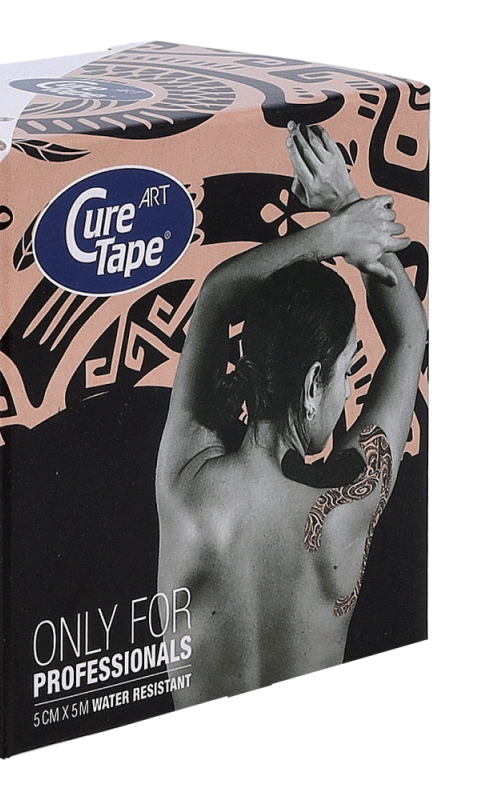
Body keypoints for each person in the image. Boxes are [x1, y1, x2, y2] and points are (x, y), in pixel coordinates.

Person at [156, 122, 427, 709]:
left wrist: (335, 234)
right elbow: (410, 336)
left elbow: (217, 294)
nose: (347, 393)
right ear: (312, 385)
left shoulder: (185, 485)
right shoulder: (345, 509)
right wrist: (345, 201)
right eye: (347, 372)